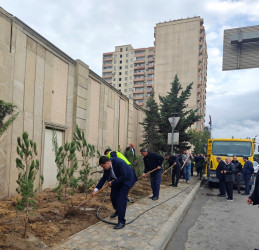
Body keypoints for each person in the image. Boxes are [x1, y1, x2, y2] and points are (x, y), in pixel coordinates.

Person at [92, 156, 137, 229]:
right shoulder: (107, 167)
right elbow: (103, 178)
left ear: (108, 163)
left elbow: (124, 175)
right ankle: (118, 210)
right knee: (113, 197)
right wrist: (96, 189)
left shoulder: (119, 163)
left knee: (121, 199)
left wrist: (114, 182)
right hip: (117, 180)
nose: (103, 169)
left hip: (127, 180)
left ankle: (121, 222)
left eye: (103, 166)